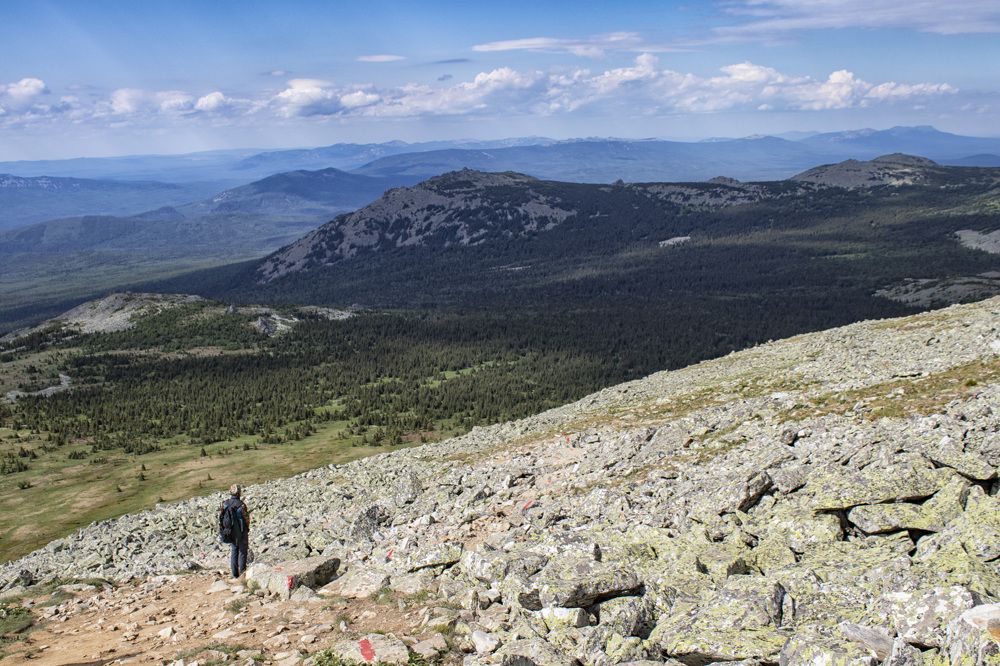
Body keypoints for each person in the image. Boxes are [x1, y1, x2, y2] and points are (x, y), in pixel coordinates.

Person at [219, 484, 251, 579]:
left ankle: (234, 574)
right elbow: (246, 519)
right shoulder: (241, 505)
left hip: (230, 531)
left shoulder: (225, 504)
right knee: (242, 551)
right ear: (239, 493)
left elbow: (221, 518)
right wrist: (246, 529)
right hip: (241, 532)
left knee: (234, 550)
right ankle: (242, 574)